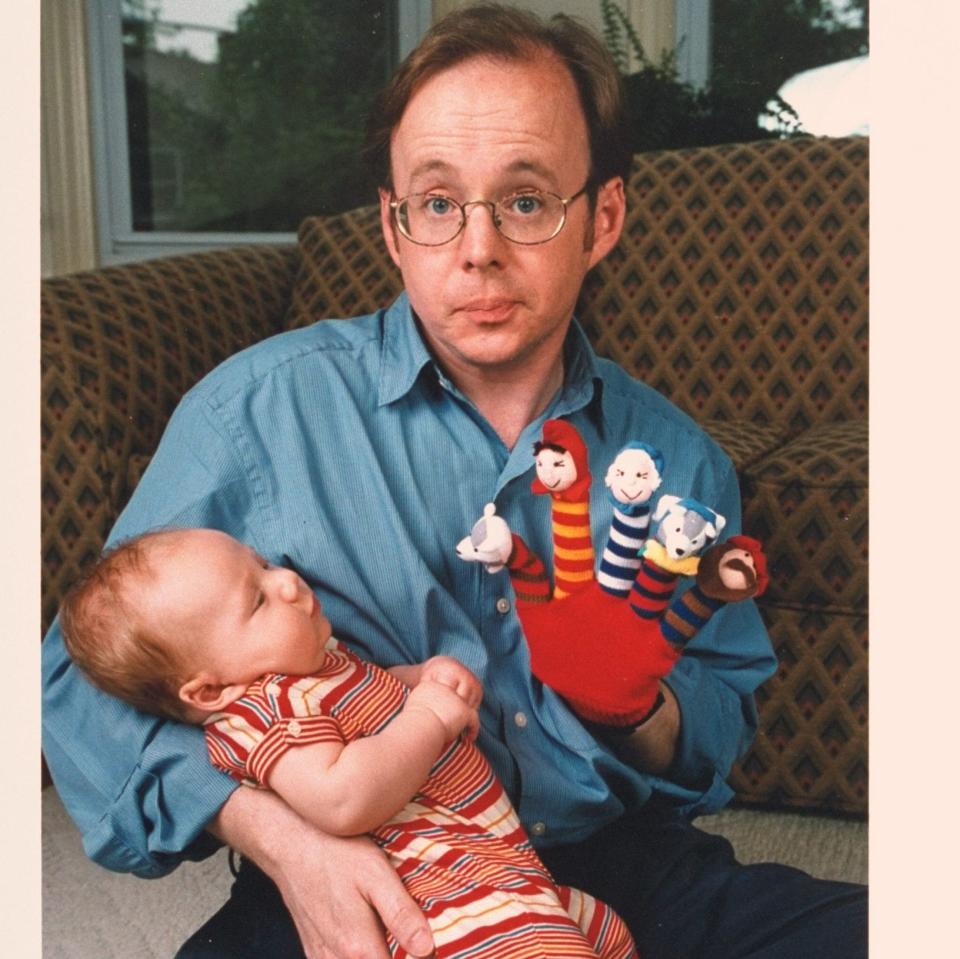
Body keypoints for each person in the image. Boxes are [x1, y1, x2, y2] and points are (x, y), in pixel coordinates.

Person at [41, 4, 867, 958]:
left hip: (624, 870)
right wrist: (285, 837)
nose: (478, 249)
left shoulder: (675, 465)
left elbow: (718, 732)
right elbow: (72, 680)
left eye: (524, 200)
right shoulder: (257, 412)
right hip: (367, 869)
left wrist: (636, 707)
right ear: (394, 227)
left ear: (601, 220)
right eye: (438, 204)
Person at [59, 526, 638, 959]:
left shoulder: (316, 667)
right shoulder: (269, 712)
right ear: (209, 690)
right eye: (257, 599)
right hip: (444, 898)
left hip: (503, 870)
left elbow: (375, 703)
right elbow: (343, 796)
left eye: (262, 566)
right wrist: (431, 715)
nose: (287, 581)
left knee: (608, 934)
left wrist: (420, 679)